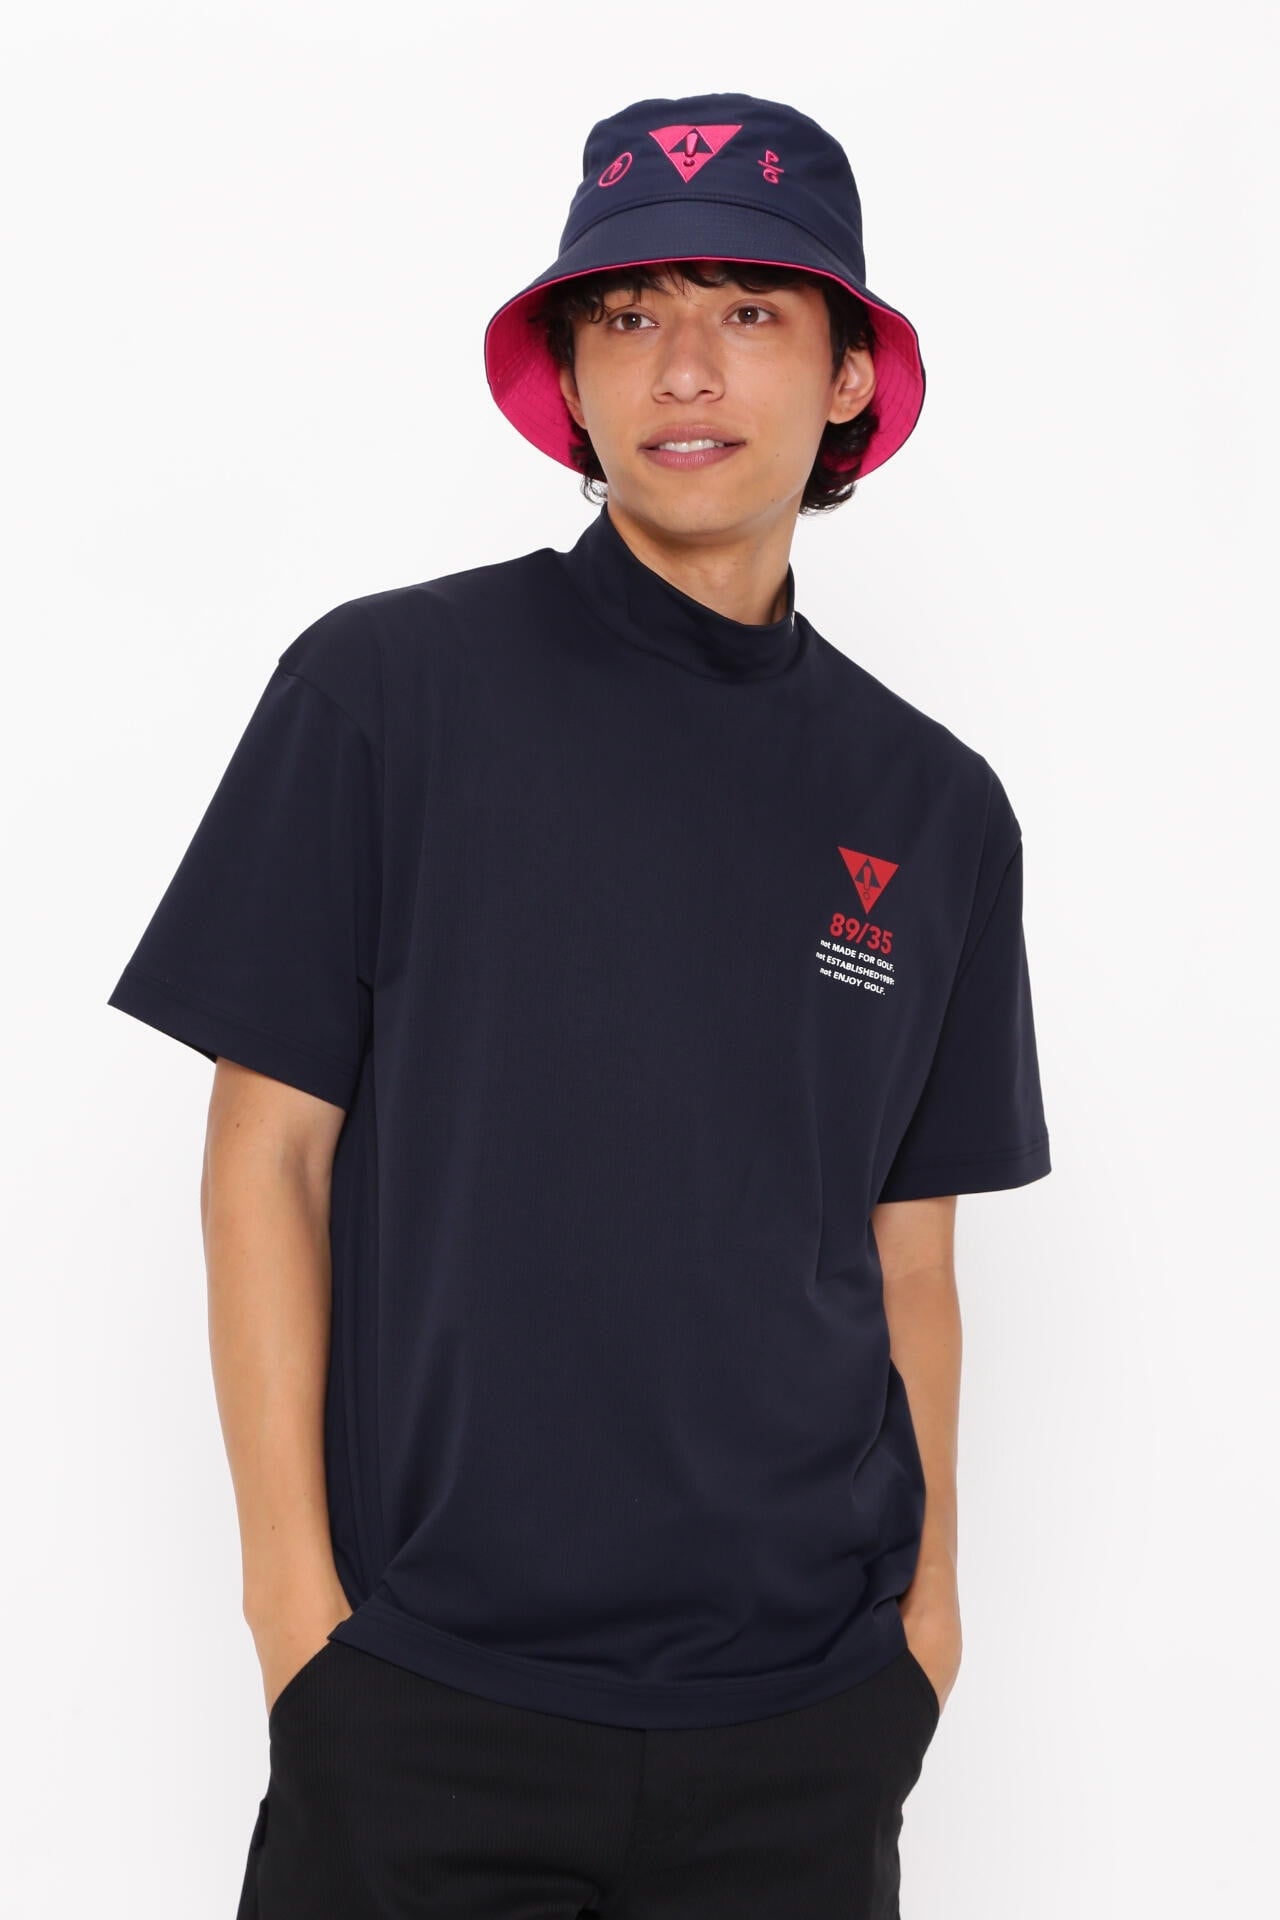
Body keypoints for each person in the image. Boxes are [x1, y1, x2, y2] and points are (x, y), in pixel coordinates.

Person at [107, 90, 1052, 1920]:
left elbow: (911, 1255)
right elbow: (264, 1165)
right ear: (572, 375)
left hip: (804, 1726)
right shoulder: (386, 693)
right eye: (630, 313)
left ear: (850, 375)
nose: (685, 367)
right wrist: (299, 1629)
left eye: (751, 311)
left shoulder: (935, 806)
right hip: (424, 1704)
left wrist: (924, 1627)